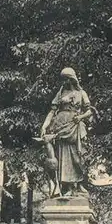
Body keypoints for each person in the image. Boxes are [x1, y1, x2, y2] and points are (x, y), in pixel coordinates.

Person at [40, 67, 92, 197]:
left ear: (72, 78)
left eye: (67, 79)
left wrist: (81, 117)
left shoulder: (82, 93)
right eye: (63, 79)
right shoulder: (61, 92)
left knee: (79, 156)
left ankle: (79, 183)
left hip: (75, 126)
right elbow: (52, 111)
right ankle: (68, 186)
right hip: (60, 126)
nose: (65, 82)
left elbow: (90, 110)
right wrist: (44, 125)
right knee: (63, 155)